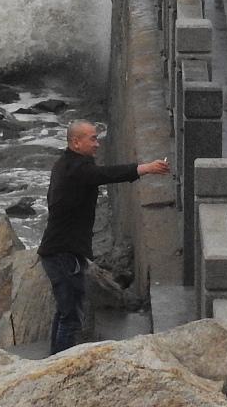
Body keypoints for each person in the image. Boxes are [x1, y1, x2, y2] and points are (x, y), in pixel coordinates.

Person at [37, 120, 170, 354]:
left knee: (66, 310)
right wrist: (145, 168)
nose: (97, 144)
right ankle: (59, 364)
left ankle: (54, 359)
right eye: (92, 139)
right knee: (71, 315)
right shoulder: (77, 169)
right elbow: (106, 174)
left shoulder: (64, 165)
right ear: (76, 142)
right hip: (62, 253)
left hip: (62, 250)